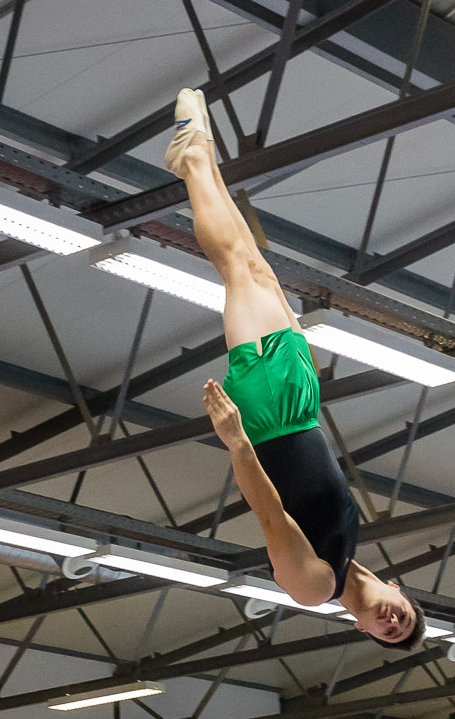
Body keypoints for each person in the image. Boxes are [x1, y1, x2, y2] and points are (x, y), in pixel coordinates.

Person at [163, 89, 423, 649]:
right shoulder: (348, 552)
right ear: (399, 590)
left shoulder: (314, 588)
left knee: (236, 270)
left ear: (362, 629)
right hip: (300, 407)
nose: (392, 622)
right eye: (403, 617)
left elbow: (270, 514)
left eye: (387, 632)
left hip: (268, 418)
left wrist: (237, 442)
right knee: (257, 270)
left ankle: (194, 162)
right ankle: (202, 159)